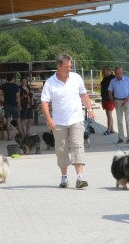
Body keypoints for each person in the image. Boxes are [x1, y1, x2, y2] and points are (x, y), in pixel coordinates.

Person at [40, 53, 95, 189]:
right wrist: (48, 118)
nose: (69, 69)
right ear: (58, 66)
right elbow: (44, 101)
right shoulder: (50, 82)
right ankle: (64, 177)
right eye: (67, 67)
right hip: (59, 122)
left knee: (78, 146)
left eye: (70, 66)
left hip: (76, 119)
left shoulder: (76, 78)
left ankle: (80, 178)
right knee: (61, 149)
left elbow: (83, 94)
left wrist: (89, 109)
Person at [108, 66, 129, 144]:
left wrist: (128, 97)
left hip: (127, 100)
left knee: (128, 119)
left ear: (122, 72)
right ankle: (121, 138)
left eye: (119, 73)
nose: (118, 74)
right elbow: (109, 92)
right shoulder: (113, 81)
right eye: (116, 73)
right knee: (119, 120)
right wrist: (113, 101)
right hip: (118, 101)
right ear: (114, 73)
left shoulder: (128, 79)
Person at [0, 74, 21, 140]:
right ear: (13, 79)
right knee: (18, 120)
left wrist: (2, 99)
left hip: (6, 104)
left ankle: (9, 136)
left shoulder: (3, 86)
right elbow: (17, 97)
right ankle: (20, 135)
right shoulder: (15, 86)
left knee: (8, 121)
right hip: (14, 104)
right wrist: (19, 105)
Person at [100, 67, 116, 136]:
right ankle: (111, 129)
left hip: (110, 99)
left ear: (108, 71)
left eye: (104, 71)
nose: (103, 73)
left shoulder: (113, 78)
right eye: (103, 72)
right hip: (104, 99)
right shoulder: (104, 78)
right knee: (108, 115)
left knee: (109, 115)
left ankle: (108, 130)